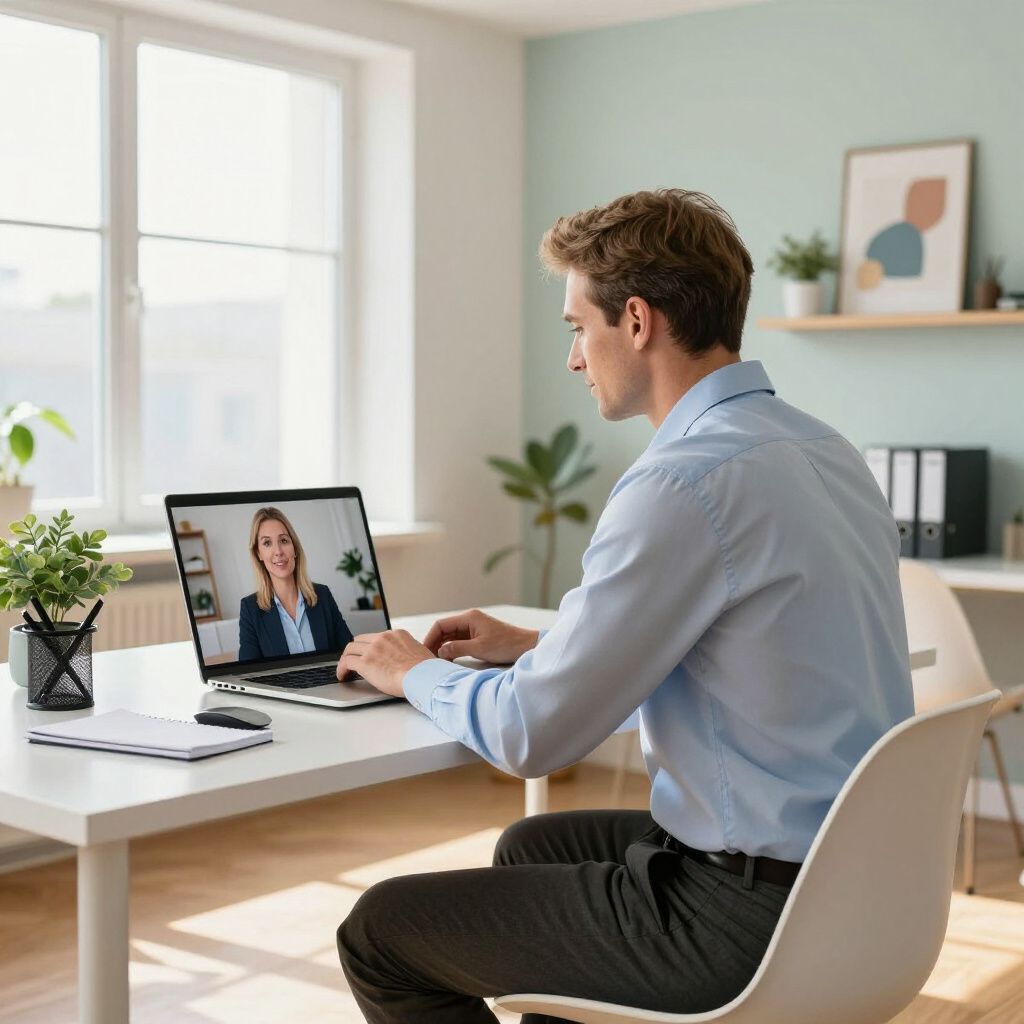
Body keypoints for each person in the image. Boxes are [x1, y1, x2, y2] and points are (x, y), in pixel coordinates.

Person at [333, 189, 915, 1023]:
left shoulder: (682, 482)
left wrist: (414, 672)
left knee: (379, 934)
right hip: (854, 878)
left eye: (578, 327)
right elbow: (738, 633)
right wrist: (539, 642)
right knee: (534, 846)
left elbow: (531, 738)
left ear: (636, 321)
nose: (574, 358)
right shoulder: (825, 449)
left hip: (745, 921)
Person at [238, 506, 353, 661]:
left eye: (284, 540)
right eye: (267, 543)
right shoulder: (250, 609)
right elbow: (248, 673)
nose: (278, 551)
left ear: (295, 549)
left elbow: (350, 653)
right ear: (258, 553)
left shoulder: (323, 595)